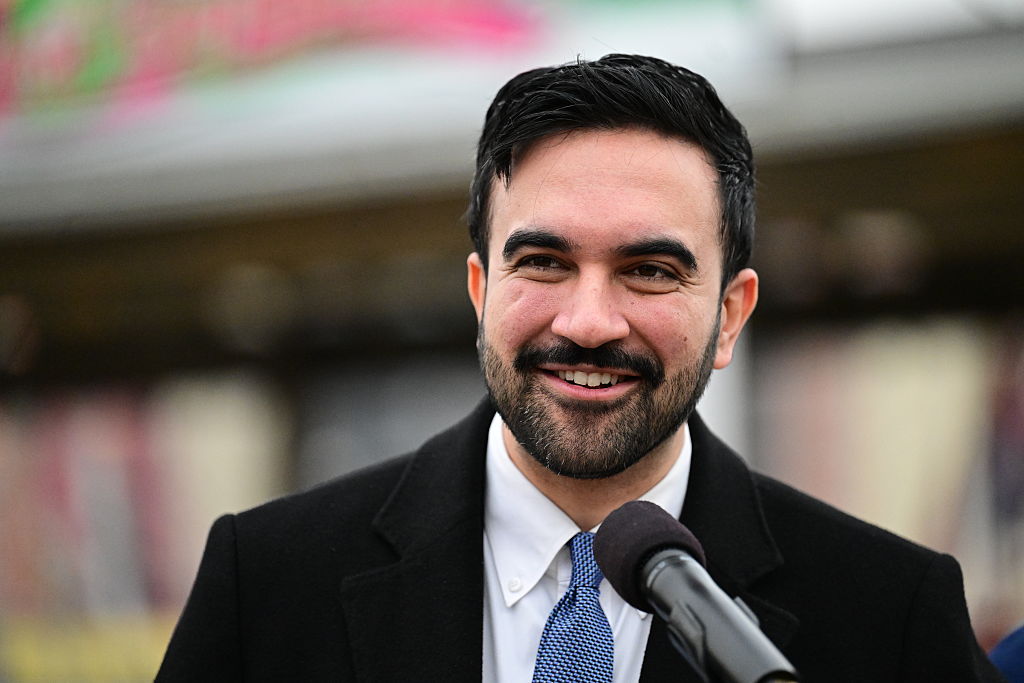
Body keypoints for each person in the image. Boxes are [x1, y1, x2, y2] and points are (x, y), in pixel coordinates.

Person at [156, 54, 1003, 682]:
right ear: (481, 291)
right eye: (544, 263)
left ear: (730, 316)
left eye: (650, 270)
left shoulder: (888, 613)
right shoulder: (266, 582)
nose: (589, 322)